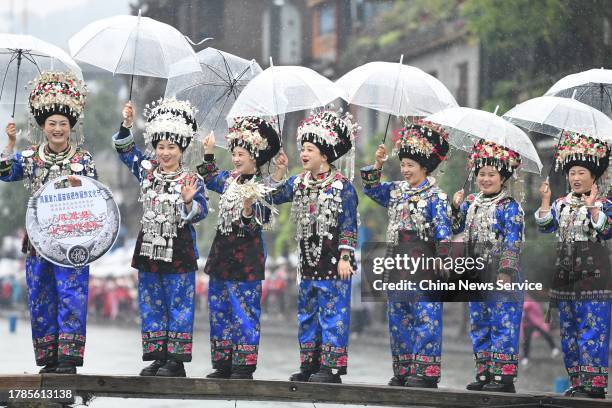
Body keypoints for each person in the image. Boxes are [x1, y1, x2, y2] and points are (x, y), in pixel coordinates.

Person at [0, 71, 94, 374]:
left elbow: (96, 200)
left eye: (63, 124)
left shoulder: (84, 161)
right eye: (51, 123)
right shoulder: (29, 158)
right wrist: (10, 143)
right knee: (41, 296)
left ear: (71, 128)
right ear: (42, 126)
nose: (57, 129)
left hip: (74, 242)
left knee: (72, 295)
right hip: (38, 242)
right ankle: (49, 357)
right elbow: (4, 172)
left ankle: (68, 358)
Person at [114, 98, 208, 377]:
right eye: (160, 147)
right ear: (154, 148)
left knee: (178, 303)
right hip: (149, 246)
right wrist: (126, 125)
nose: (165, 152)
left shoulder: (191, 179)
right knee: (151, 301)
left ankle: (175, 361)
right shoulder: (147, 171)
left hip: (179, 249)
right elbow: (125, 151)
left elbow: (201, 212)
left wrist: (190, 202)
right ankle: (158, 356)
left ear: (182, 149)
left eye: (171, 147)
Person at [360, 120, 452, 388]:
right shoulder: (395, 190)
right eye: (403, 165)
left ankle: (425, 372)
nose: (406, 169)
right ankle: (403, 370)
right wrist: (378, 164)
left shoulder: (437, 196)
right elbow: (371, 188)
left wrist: (443, 257)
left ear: (425, 167)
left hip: (424, 263)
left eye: (411, 165)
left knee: (426, 316)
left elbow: (443, 231)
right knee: (398, 316)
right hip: (397, 262)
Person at [270, 109, 359, 384]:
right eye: (302, 149)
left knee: (333, 315)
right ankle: (309, 364)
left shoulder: (343, 187)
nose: (304, 154)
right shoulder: (298, 183)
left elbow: (348, 223)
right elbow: (273, 195)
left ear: (325, 154)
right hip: (307, 264)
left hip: (334, 264)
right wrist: (280, 172)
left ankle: (331, 368)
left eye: (310, 149)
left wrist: (346, 256)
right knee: (308, 315)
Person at [197, 117, 280, 379]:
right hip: (222, 253)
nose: (235, 158)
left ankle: (244, 364)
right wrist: (209, 152)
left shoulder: (265, 186)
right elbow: (209, 177)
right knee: (219, 307)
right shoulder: (230, 179)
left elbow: (262, 221)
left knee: (244, 308)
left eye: (241, 154)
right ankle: (222, 362)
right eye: (233, 153)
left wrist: (247, 209)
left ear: (255, 157)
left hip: (247, 257)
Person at [536, 131, 611, 399]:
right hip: (565, 279)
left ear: (593, 176)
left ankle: (595, 385)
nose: (576, 178)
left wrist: (593, 210)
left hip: (594, 279)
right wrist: (545, 201)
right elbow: (545, 227)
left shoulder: (605, 204)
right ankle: (578, 381)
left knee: (593, 330)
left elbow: (607, 231)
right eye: (572, 172)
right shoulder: (561, 204)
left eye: (581, 172)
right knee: (568, 333)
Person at [451, 140, 525, 393]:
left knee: (502, 323)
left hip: (501, 275)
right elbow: (456, 229)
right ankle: (483, 373)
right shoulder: (471, 202)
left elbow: (514, 242)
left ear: (503, 177)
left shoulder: (510, 207)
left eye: (491, 174)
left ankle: (502, 378)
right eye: (481, 174)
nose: (485, 179)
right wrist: (456, 207)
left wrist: (506, 272)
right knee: (479, 322)